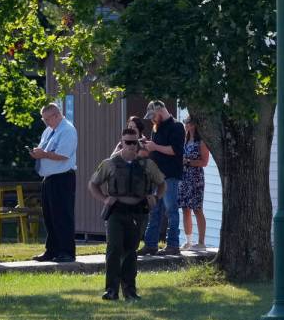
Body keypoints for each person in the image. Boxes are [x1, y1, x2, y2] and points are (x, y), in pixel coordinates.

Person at [89, 128, 166, 300]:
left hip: (138, 212)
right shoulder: (109, 163)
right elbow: (93, 184)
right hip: (116, 211)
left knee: (131, 251)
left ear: (138, 142)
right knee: (114, 249)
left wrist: (156, 197)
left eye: (134, 142)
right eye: (128, 142)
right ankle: (111, 290)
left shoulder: (147, 165)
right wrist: (104, 199)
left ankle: (130, 290)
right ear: (122, 142)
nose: (131, 145)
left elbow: (162, 183)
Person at [29, 103, 78, 263]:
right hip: (49, 178)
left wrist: (43, 154)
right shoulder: (49, 131)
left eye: (47, 119)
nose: (45, 122)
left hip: (62, 178)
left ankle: (66, 252)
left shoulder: (68, 130)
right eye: (44, 119)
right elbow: (45, 150)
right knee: (50, 217)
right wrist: (37, 152)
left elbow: (63, 155)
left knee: (62, 216)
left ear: (56, 115)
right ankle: (52, 250)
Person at [137, 100, 185, 256]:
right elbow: (155, 148)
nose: (152, 119)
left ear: (160, 111)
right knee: (154, 210)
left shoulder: (177, 127)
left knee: (171, 210)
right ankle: (150, 244)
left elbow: (175, 150)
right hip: (156, 175)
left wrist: (155, 146)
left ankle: (173, 244)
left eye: (153, 116)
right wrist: (146, 145)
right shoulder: (156, 128)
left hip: (170, 175)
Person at [177, 115, 210, 250]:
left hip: (195, 177)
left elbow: (204, 162)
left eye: (187, 123)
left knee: (197, 209)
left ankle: (201, 242)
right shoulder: (184, 141)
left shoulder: (201, 142)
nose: (185, 125)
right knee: (185, 208)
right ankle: (188, 241)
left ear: (194, 125)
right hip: (184, 177)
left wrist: (188, 161)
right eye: (185, 122)